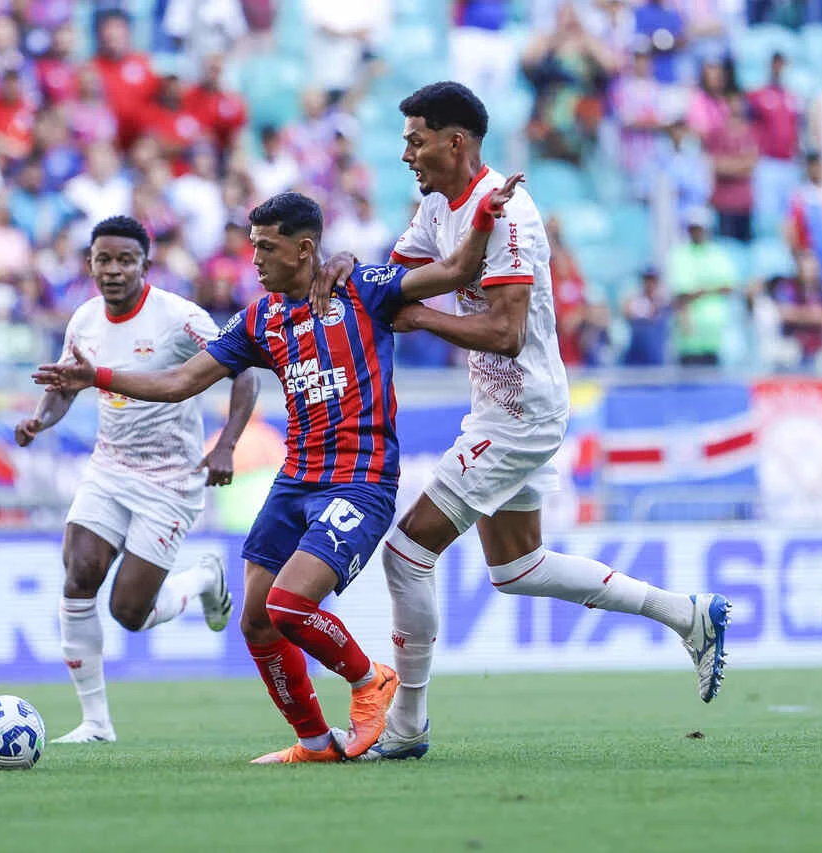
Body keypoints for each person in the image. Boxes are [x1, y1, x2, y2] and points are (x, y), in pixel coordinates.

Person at [33, 181, 523, 763]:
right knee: (257, 622)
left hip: (359, 482)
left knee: (289, 607)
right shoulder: (260, 318)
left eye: (266, 247)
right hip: (295, 482)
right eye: (254, 246)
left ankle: (372, 682)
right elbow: (179, 383)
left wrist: (486, 217)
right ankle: (316, 743)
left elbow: (456, 268)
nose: (256, 259)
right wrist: (100, 378)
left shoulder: (364, 290)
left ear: (304, 249)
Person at [313, 81, 732, 762]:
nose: (405, 154)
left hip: (521, 409)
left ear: (455, 142)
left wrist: (416, 315)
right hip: (503, 404)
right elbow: (401, 278)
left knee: (406, 552)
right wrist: (356, 275)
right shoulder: (435, 206)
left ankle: (407, 725)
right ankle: (687, 614)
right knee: (518, 566)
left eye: (415, 139)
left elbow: (505, 332)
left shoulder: (508, 216)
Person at [15, 215, 260, 744]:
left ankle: (203, 579)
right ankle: (96, 724)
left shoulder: (179, 317)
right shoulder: (82, 321)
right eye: (104, 259)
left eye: (126, 259)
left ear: (146, 265)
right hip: (109, 469)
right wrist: (40, 419)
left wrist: (227, 443)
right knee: (79, 573)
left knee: (129, 612)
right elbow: (67, 385)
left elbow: (244, 370)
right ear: (90, 264)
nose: (114, 269)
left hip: (171, 480)